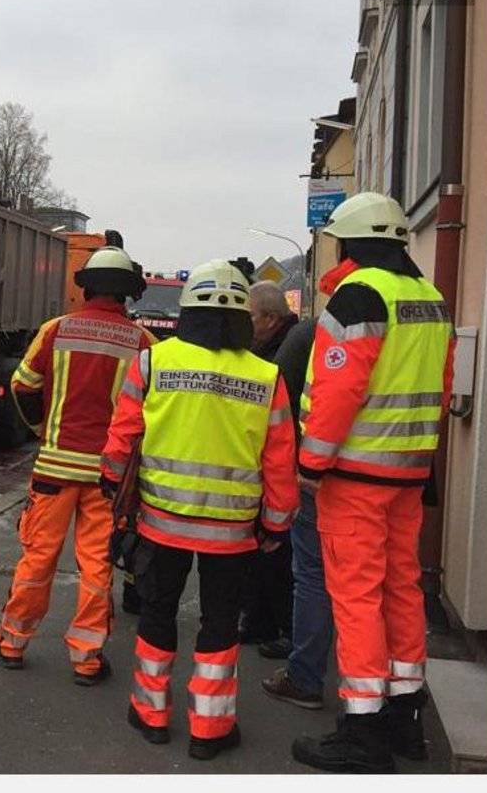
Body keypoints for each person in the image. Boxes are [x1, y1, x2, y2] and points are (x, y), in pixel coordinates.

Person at [101, 260, 298, 761]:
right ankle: (210, 731)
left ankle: (150, 715)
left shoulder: (153, 362)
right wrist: (276, 524)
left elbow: (122, 438)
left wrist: (111, 488)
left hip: (161, 524)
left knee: (157, 612)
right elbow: (279, 461)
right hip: (232, 533)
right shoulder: (266, 376)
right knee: (219, 623)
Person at [291, 193, 454, 773]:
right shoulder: (429, 298)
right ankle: (404, 720)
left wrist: (310, 464)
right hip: (408, 475)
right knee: (401, 590)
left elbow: (338, 392)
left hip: (355, 477)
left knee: (356, 596)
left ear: (350, 242)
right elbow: (439, 384)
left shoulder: (358, 296)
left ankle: (362, 730)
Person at [0, 247, 152, 684]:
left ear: (86, 287)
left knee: (38, 557)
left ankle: (11, 642)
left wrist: (45, 427)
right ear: (127, 294)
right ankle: (86, 657)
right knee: (96, 565)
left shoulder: (56, 329)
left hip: (54, 470)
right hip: (107, 476)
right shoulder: (142, 344)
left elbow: (23, 384)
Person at [260, 315, 331, 710]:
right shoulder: (425, 308)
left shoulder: (328, 325)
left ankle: (305, 677)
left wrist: (308, 468)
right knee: (379, 584)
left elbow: (282, 406)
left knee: (313, 576)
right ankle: (393, 700)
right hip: (400, 476)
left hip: (323, 477)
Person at [239, 280, 301, 655]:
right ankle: (260, 621)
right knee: (265, 556)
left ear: (271, 318)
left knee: (279, 557)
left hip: (283, 467)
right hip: (275, 466)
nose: (247, 324)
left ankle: (282, 628)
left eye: (251, 316)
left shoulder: (284, 351)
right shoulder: (272, 344)